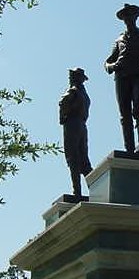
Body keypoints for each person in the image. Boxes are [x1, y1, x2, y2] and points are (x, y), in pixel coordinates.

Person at [105, 4, 139, 154]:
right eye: (125, 17)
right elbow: (107, 62)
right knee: (125, 114)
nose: (128, 19)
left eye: (130, 16)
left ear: (136, 17)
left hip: (138, 77)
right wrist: (112, 66)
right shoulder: (119, 40)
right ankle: (129, 149)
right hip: (121, 78)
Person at [59, 67, 92, 198]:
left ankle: (77, 192)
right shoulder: (84, 94)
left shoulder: (73, 91)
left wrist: (62, 118)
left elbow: (63, 102)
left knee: (73, 158)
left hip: (72, 124)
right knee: (84, 159)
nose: (70, 79)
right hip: (82, 125)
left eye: (71, 77)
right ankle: (96, 188)